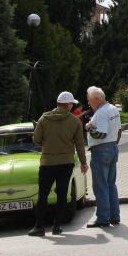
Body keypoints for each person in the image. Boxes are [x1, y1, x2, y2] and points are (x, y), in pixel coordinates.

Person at [28, 92, 88, 236]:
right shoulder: (75, 122)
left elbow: (36, 139)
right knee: (62, 194)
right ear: (67, 105)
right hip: (66, 163)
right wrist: (84, 163)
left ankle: (39, 227)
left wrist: (47, 143)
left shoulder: (44, 118)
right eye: (71, 104)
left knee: (43, 195)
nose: (72, 106)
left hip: (47, 162)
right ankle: (57, 226)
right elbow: (80, 144)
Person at [85, 86, 121, 227]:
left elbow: (100, 134)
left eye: (89, 100)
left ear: (97, 99)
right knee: (111, 184)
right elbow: (118, 130)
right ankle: (114, 216)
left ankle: (103, 218)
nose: (88, 103)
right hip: (113, 147)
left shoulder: (100, 113)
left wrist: (89, 127)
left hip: (101, 149)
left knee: (100, 186)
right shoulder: (113, 109)